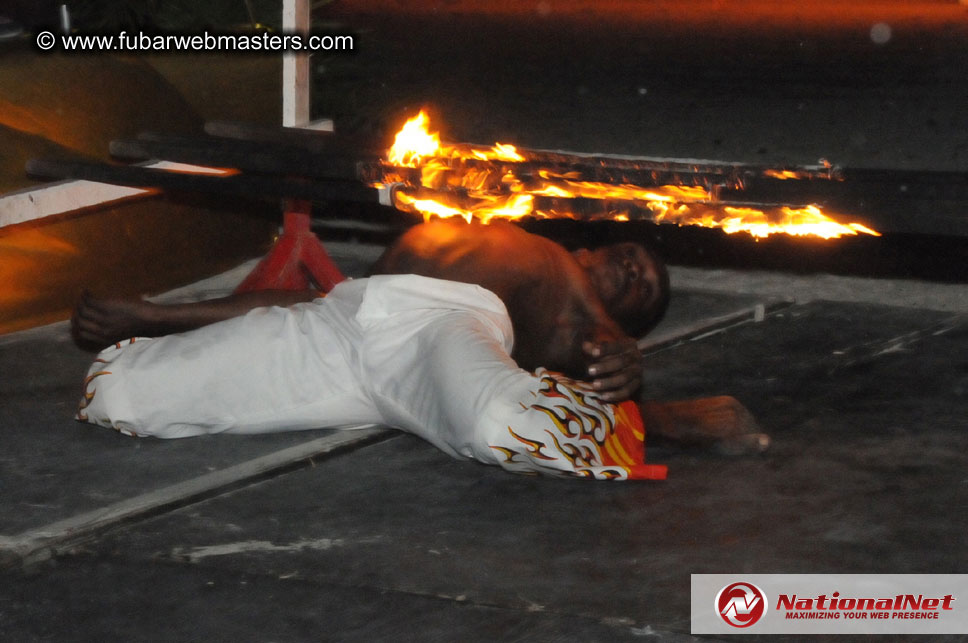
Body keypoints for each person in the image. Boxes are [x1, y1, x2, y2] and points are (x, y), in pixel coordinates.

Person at [74, 220, 766, 480]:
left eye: (642, 288)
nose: (637, 271)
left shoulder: (577, 307)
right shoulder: (538, 243)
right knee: (115, 389)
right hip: (352, 324)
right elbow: (303, 305)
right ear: (594, 244)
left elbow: (610, 360)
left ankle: (666, 424)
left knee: (504, 423)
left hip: (448, 335)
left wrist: (652, 397)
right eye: (635, 257)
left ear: (623, 321)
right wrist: (156, 315)